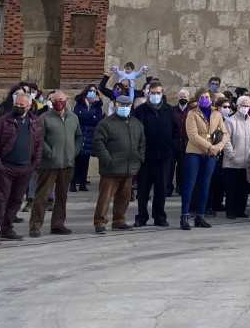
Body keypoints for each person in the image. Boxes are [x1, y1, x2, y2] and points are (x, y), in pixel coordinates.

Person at [0, 90, 44, 244]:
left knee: (16, 200)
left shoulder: (35, 122)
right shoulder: (4, 121)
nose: (18, 106)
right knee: (0, 199)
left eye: (22, 105)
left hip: (25, 168)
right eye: (17, 104)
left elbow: (38, 145)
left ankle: (7, 228)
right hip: (5, 167)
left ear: (29, 106)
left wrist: (34, 164)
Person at [28, 90, 80, 237]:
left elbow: (78, 136)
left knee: (62, 196)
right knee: (42, 196)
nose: (59, 103)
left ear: (67, 100)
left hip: (67, 163)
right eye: (56, 100)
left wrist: (74, 151)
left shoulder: (73, 118)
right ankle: (35, 225)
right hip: (49, 164)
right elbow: (38, 138)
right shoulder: (44, 118)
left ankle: (58, 224)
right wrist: (49, 152)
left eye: (62, 100)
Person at [92, 94, 145, 234]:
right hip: (111, 169)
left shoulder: (136, 123)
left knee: (125, 196)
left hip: (129, 168)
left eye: (127, 105)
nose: (124, 108)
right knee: (105, 197)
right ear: (116, 105)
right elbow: (98, 143)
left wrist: (139, 159)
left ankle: (119, 220)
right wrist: (107, 160)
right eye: (122, 105)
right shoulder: (106, 123)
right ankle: (100, 222)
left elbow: (142, 143)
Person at [133, 82, 180, 228]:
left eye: (158, 93)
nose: (155, 96)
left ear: (162, 93)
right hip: (145, 157)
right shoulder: (140, 110)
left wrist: (172, 149)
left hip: (164, 157)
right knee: (143, 190)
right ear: (148, 94)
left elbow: (176, 132)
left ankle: (159, 216)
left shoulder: (169, 110)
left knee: (161, 189)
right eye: (152, 93)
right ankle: (141, 216)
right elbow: (135, 132)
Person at [181, 90, 226, 231]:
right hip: (194, 152)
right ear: (198, 99)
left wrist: (218, 147)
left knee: (205, 184)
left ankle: (200, 216)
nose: (205, 99)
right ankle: (185, 216)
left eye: (207, 97)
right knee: (190, 184)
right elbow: (193, 135)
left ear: (211, 99)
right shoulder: (192, 114)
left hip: (211, 154)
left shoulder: (217, 114)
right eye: (202, 97)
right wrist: (210, 146)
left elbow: (225, 133)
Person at [222, 94, 250, 219]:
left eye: (247, 105)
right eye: (243, 105)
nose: (245, 107)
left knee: (244, 189)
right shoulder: (230, 121)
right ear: (237, 106)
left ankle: (241, 210)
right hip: (232, 163)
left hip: (248, 163)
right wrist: (232, 155)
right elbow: (226, 140)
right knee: (232, 189)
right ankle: (231, 211)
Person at [72, 85, 105, 191]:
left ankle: (82, 182)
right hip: (80, 134)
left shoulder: (97, 106)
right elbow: (77, 116)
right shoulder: (79, 104)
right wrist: (90, 115)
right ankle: (73, 182)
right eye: (90, 90)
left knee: (85, 159)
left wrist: (87, 114)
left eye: (94, 91)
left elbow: (98, 119)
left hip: (90, 135)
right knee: (76, 159)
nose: (92, 92)